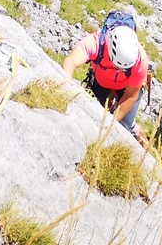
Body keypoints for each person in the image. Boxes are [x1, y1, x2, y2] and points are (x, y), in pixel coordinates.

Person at [61, 9, 151, 147]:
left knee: (125, 125)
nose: (119, 70)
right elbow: (70, 61)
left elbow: (130, 95)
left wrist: (111, 125)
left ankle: (139, 135)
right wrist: (65, 87)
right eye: (116, 66)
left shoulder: (140, 60)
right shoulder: (96, 42)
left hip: (126, 88)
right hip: (101, 81)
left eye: (123, 69)